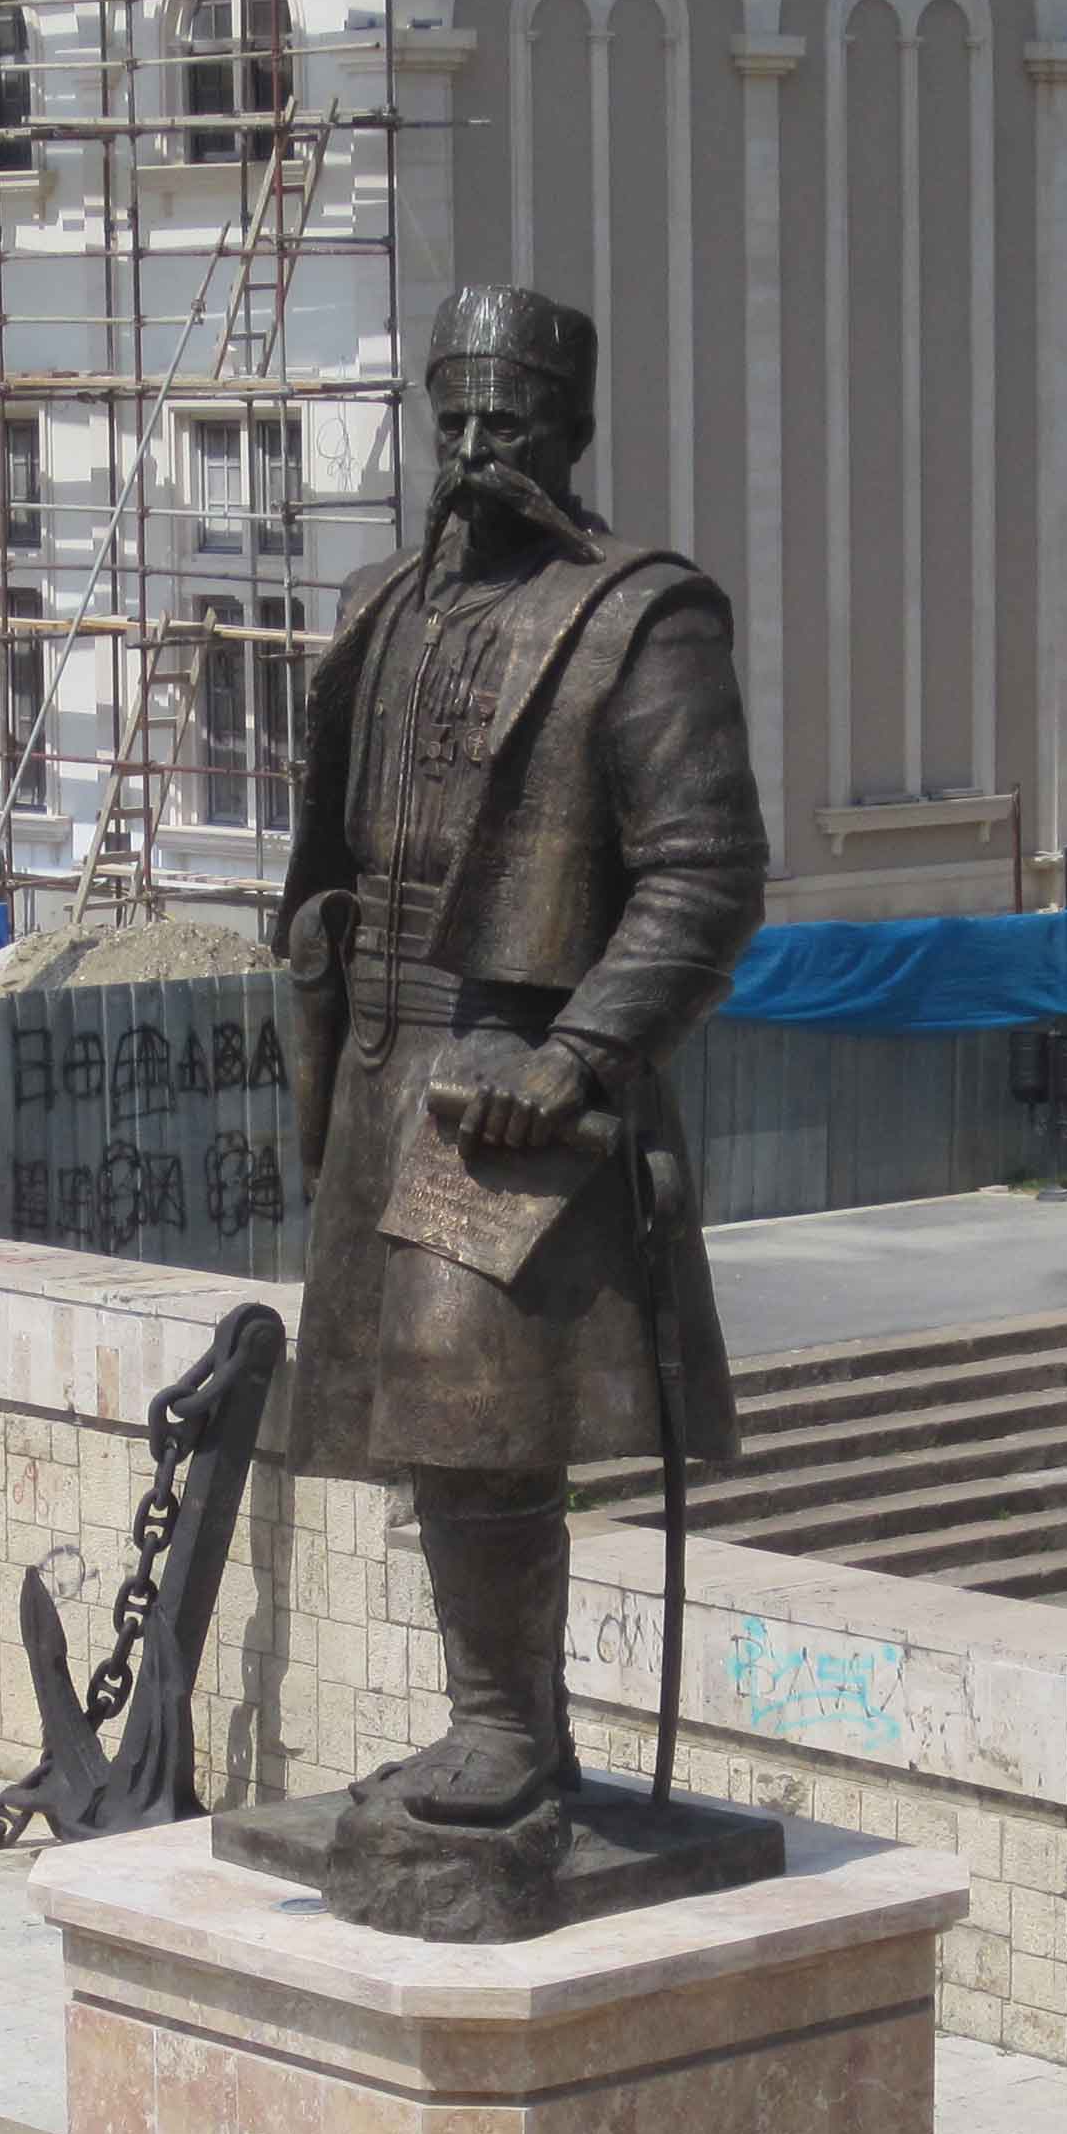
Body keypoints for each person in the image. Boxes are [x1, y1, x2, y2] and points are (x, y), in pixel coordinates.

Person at [275, 284, 770, 1834]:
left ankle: (508, 1734)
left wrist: (582, 1053)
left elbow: (708, 872)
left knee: (477, 1414)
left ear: (572, 430)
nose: (479, 452)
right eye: (458, 422)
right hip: (379, 1058)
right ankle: (504, 1728)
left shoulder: (644, 615)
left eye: (512, 424)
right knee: (426, 1428)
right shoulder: (381, 606)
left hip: (514, 1081)